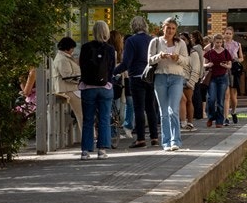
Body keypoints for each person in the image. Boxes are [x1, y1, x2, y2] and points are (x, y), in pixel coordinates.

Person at [115, 15, 159, 148]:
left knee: (139, 108)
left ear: (133, 26)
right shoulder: (152, 40)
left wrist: (113, 71)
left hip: (136, 77)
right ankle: (154, 137)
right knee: (150, 107)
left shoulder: (131, 41)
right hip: (151, 76)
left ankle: (140, 138)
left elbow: (126, 62)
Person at [147, 18, 190, 151]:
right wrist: (160, 56)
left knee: (173, 110)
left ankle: (175, 141)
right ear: (163, 27)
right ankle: (166, 142)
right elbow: (149, 60)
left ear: (176, 30)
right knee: (163, 112)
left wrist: (178, 58)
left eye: (173, 28)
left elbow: (186, 61)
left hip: (176, 78)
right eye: (168, 27)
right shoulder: (155, 41)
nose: (170, 30)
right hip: (160, 77)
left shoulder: (180, 43)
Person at [77, 22, 116, 159]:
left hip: (88, 88)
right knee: (104, 119)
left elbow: (82, 66)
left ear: (93, 32)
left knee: (88, 119)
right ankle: (102, 150)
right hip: (105, 88)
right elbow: (111, 69)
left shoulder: (85, 47)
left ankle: (85, 151)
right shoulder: (110, 49)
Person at [51, 37, 83, 135]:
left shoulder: (64, 57)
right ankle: (87, 135)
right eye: (72, 48)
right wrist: (81, 79)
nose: (73, 50)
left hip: (70, 88)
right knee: (82, 113)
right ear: (67, 48)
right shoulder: (62, 59)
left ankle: (88, 134)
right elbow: (68, 76)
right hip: (67, 89)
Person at [203, 30, 233, 127]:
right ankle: (211, 117)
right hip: (212, 77)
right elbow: (204, 64)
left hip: (223, 77)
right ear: (213, 42)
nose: (219, 44)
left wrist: (225, 66)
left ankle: (219, 121)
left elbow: (230, 65)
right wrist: (208, 64)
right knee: (211, 99)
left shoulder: (225, 52)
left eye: (220, 42)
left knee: (220, 100)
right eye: (217, 42)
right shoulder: (210, 53)